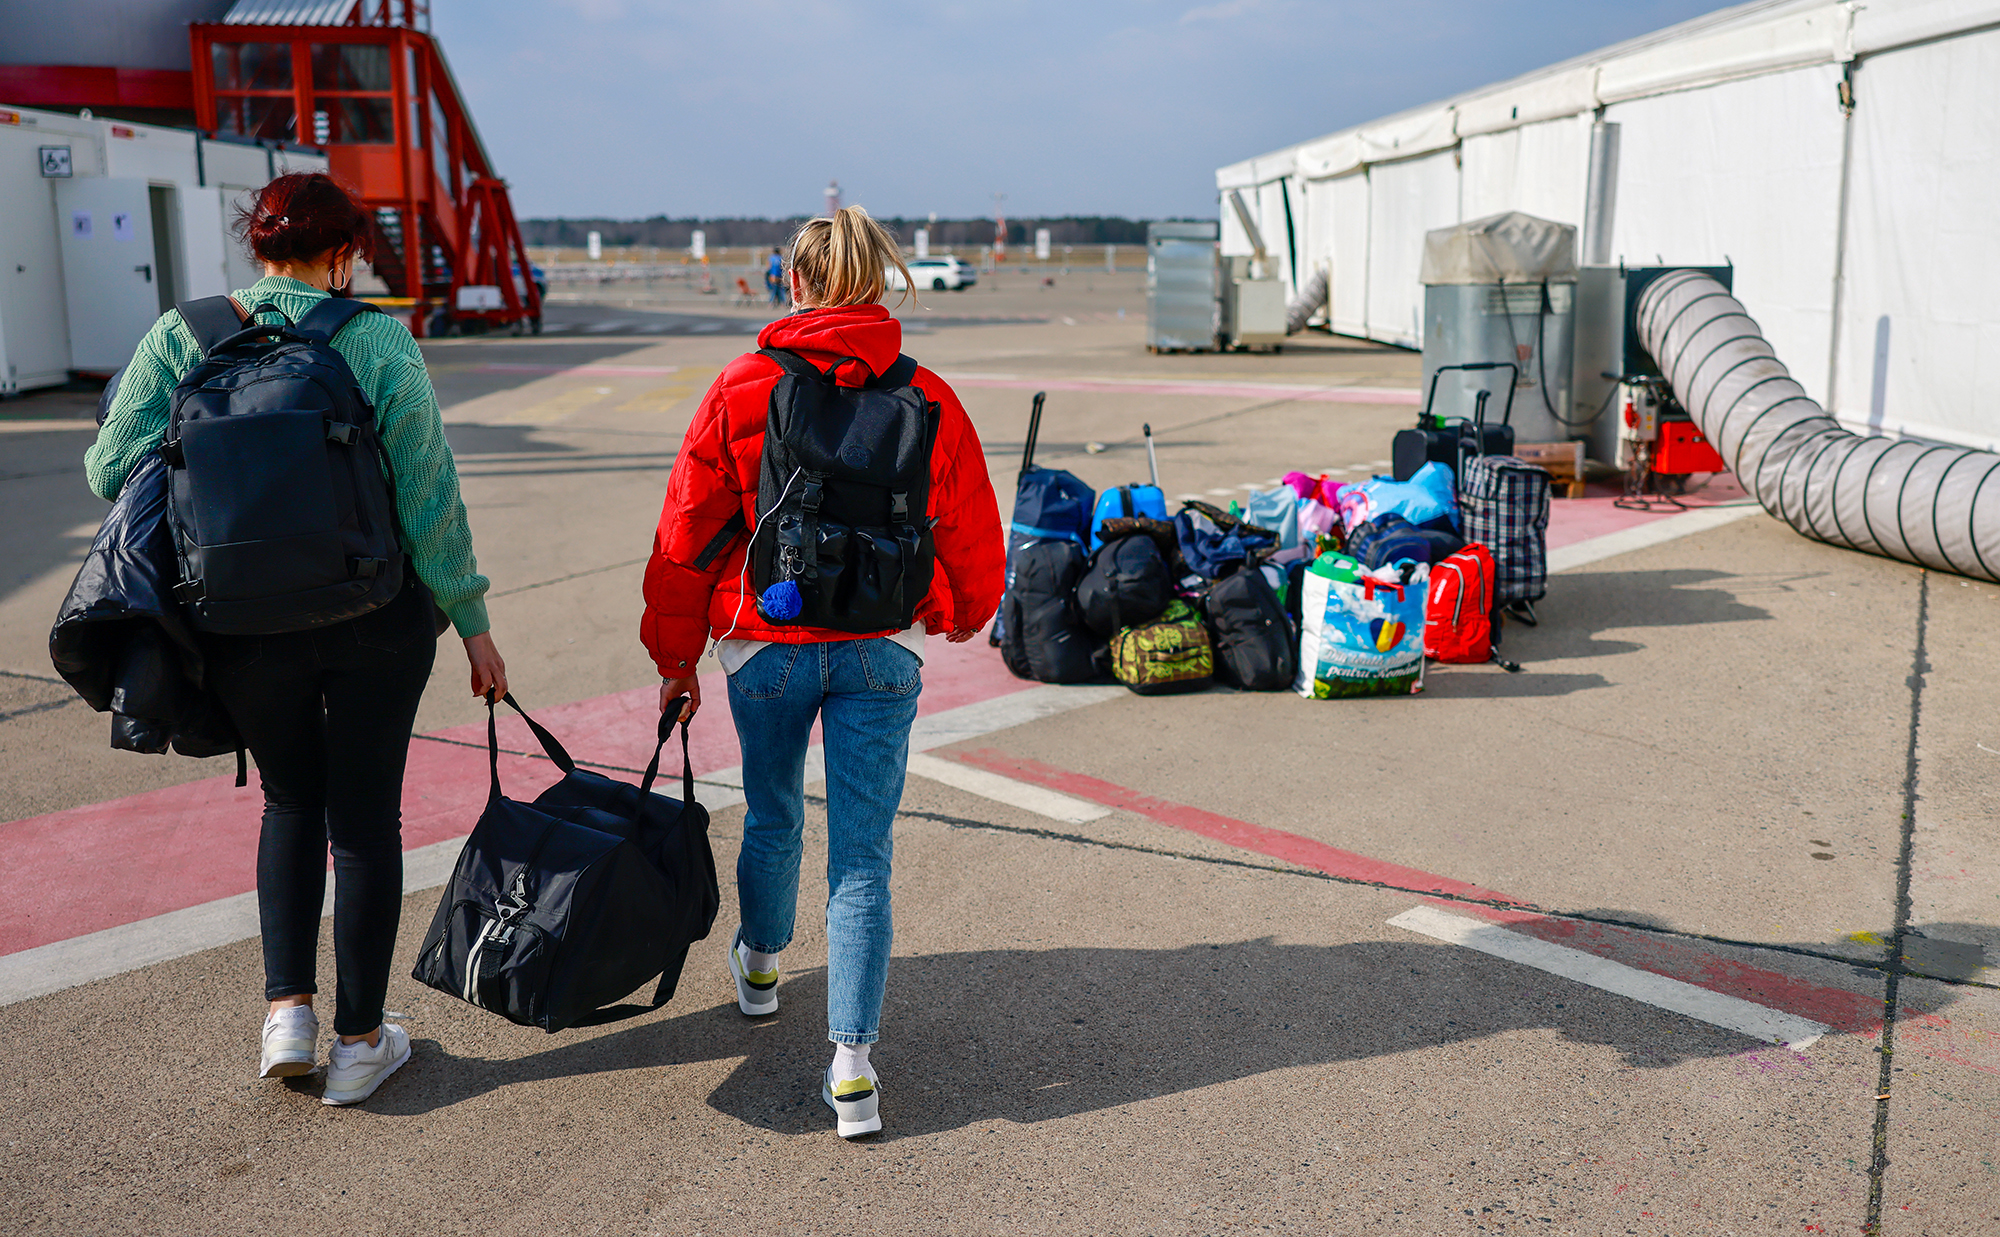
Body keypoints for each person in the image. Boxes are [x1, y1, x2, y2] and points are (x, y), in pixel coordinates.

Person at [86, 172, 506, 1107]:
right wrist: (474, 625)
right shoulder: (378, 343)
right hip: (377, 625)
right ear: (342, 253)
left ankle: (288, 1015)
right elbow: (429, 504)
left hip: (239, 624)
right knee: (363, 825)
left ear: (257, 245)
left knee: (288, 803)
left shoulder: (182, 333)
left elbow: (108, 467)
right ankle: (362, 1042)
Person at [641, 206, 1004, 1139]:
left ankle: (761, 969)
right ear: (879, 285)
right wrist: (964, 610)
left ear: (793, 284)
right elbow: (967, 522)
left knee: (772, 814)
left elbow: (685, 533)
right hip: (882, 647)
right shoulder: (929, 397)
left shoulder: (745, 385)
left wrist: (675, 655)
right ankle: (853, 1066)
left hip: (764, 643)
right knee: (863, 856)